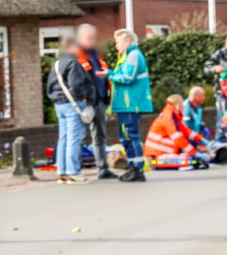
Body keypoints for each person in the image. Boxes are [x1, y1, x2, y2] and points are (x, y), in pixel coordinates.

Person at [46, 34, 97, 182]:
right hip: (73, 104)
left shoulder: (57, 63)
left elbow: (50, 86)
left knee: (63, 138)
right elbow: (76, 85)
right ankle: (73, 172)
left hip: (59, 104)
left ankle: (62, 172)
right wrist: (83, 97)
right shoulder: (74, 63)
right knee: (74, 139)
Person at [74, 23, 117, 180]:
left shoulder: (95, 56)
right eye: (89, 37)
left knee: (100, 137)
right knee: (78, 136)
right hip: (85, 103)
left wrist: (106, 98)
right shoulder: (76, 55)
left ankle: (103, 168)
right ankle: (75, 170)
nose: (93, 40)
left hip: (99, 101)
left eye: (93, 37)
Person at [108, 29, 152, 182]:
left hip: (131, 104)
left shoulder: (133, 55)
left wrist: (108, 74)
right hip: (126, 104)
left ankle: (138, 169)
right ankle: (132, 167)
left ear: (127, 42)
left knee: (130, 136)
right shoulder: (127, 55)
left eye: (118, 42)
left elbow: (127, 77)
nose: (116, 46)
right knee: (125, 137)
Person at [144, 93, 209, 169]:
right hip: (156, 154)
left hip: (157, 151)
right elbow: (177, 138)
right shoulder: (169, 117)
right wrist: (194, 153)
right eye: (182, 104)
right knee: (188, 154)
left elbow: (185, 131)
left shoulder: (172, 115)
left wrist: (200, 139)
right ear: (178, 105)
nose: (183, 106)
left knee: (190, 143)